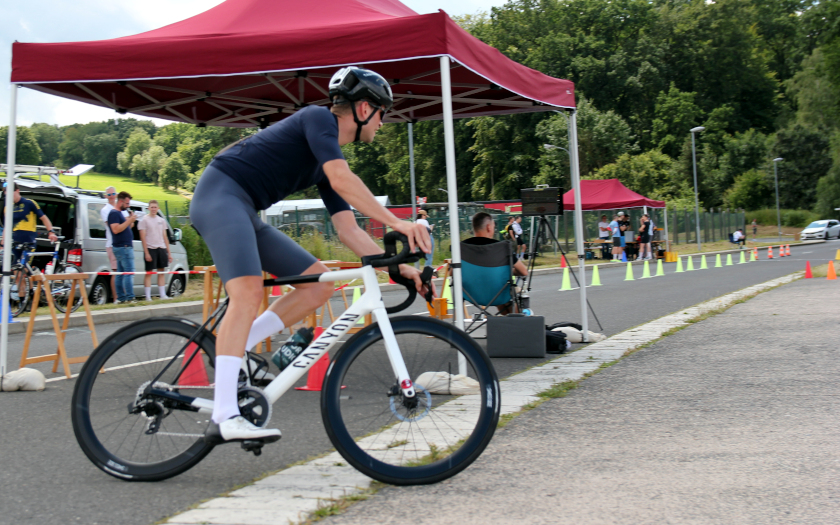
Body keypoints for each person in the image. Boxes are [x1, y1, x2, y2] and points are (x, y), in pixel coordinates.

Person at [189, 66, 432, 445]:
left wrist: (397, 268)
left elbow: (349, 230)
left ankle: (238, 347)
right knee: (248, 292)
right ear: (364, 108)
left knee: (318, 286)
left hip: (243, 208)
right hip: (220, 197)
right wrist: (398, 223)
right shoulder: (318, 118)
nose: (382, 123)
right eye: (382, 113)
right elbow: (343, 180)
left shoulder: (326, 159)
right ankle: (224, 415)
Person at [1, 185, 59, 298]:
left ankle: (35, 276)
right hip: (15, 242)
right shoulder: (8, 208)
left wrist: (51, 231)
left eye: (10, 194)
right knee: (17, 273)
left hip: (29, 242)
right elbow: (7, 226)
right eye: (6, 195)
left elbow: (43, 218)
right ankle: (24, 299)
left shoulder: (29, 203)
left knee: (23, 269)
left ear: (17, 191)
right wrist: (3, 242)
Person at [468, 212, 527, 314]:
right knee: (503, 289)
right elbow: (524, 271)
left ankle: (507, 320)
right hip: (497, 292)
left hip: (471, 294)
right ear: (488, 227)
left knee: (498, 289)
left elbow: (452, 272)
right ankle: (517, 321)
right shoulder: (501, 247)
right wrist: (508, 271)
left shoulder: (463, 247)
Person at [138, 200, 173, 301]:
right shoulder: (144, 220)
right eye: (152, 207)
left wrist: (169, 253)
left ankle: (162, 295)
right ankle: (148, 296)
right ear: (148, 208)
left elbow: (165, 237)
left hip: (161, 248)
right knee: (149, 272)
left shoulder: (161, 220)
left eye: (155, 207)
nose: (153, 209)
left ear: (158, 208)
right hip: (150, 248)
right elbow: (143, 237)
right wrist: (146, 252)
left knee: (161, 271)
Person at [107, 191, 137, 304]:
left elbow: (125, 227)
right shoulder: (114, 213)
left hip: (122, 247)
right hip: (123, 247)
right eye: (127, 203)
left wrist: (130, 220)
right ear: (121, 201)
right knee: (129, 272)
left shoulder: (119, 213)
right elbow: (116, 229)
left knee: (120, 273)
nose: (128, 206)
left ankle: (121, 297)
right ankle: (129, 297)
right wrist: (129, 220)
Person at [100, 186, 123, 303]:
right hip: (112, 243)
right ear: (106, 196)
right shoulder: (105, 210)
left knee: (123, 271)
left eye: (113, 194)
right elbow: (113, 227)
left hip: (123, 243)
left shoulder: (120, 208)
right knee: (115, 271)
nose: (112, 196)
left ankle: (123, 296)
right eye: (109, 194)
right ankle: (116, 298)